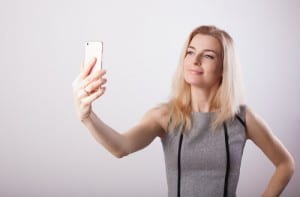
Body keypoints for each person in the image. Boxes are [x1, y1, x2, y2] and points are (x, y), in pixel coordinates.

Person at [72, 25, 295, 197]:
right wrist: (87, 117)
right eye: (190, 52)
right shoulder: (164, 116)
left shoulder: (242, 118)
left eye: (208, 55)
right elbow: (121, 147)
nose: (195, 60)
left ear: (224, 68)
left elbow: (285, 164)